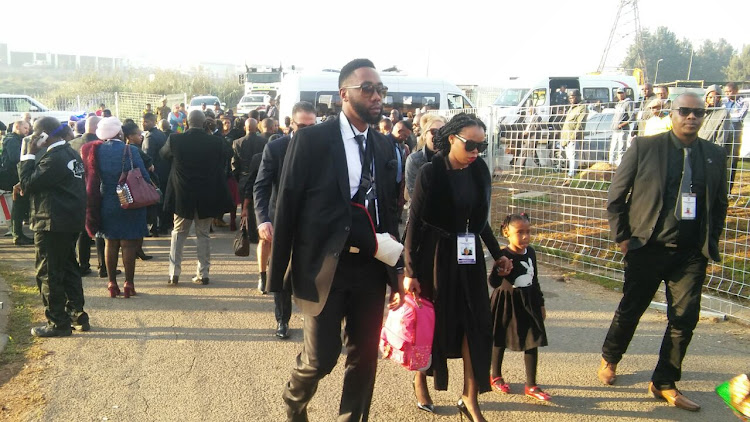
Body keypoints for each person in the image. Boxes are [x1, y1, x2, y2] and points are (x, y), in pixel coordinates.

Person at [269, 58, 401, 421]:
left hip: (371, 268)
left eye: (380, 90)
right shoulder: (312, 139)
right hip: (324, 266)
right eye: (368, 89)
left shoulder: (384, 146)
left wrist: (397, 272)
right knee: (321, 357)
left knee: (364, 358)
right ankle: (295, 402)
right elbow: (288, 203)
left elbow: (389, 211)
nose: (377, 96)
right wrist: (278, 273)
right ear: (344, 94)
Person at [599, 93, 728, 412]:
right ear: (672, 114)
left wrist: (711, 240)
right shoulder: (645, 148)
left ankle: (664, 381)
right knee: (632, 308)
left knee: (684, 318)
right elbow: (616, 197)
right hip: (647, 248)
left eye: (698, 112)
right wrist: (623, 238)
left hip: (690, 254)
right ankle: (610, 357)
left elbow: (721, 203)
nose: (691, 117)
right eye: (684, 111)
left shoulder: (714, 154)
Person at [403, 113, 510, 422]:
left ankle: (470, 397)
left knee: (476, 325)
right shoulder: (430, 172)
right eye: (471, 145)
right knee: (431, 324)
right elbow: (414, 224)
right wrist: (410, 271)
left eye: (482, 145)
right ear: (452, 139)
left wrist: (497, 252)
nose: (476, 152)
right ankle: (421, 378)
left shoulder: (479, 171)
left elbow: (480, 222)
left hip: (469, 256)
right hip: (436, 257)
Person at [251, 101, 317, 339]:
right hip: (281, 220)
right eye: (302, 126)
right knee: (281, 272)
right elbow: (261, 186)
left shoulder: (325, 148)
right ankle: (282, 320)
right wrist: (263, 220)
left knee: (314, 274)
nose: (307, 131)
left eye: (312, 126)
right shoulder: (276, 148)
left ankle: (315, 324)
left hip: (314, 223)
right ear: (290, 125)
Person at [18, 117, 88, 336]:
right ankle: (77, 314)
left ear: (45, 135)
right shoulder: (70, 154)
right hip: (68, 220)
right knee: (68, 268)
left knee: (48, 272)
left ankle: (57, 322)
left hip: (51, 222)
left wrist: (29, 153)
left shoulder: (54, 158)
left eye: (36, 135)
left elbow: (29, 183)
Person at [160, 110, 231, 286]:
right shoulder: (215, 141)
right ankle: (203, 273)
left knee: (178, 233)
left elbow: (163, 155)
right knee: (203, 234)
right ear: (204, 122)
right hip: (206, 194)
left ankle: (173, 274)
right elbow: (227, 156)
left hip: (182, 194)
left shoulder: (175, 140)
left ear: (186, 122)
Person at [489, 213, 550, 401]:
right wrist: (500, 271)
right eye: (520, 232)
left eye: (528, 232)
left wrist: (540, 303)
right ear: (507, 232)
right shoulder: (503, 255)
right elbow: (493, 281)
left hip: (528, 302)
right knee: (499, 339)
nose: (525, 236)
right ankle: (495, 375)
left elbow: (535, 280)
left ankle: (531, 385)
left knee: (533, 340)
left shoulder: (531, 252)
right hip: (506, 302)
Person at [89, 118, 151, 298]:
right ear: (119, 133)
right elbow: (144, 176)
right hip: (130, 200)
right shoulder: (130, 150)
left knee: (110, 242)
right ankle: (128, 284)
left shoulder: (97, 151)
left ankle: (111, 284)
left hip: (107, 201)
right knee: (129, 244)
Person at [69, 116, 102, 276]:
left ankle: (83, 264)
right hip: (95, 191)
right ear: (97, 127)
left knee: (82, 230)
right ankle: (103, 265)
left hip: (75, 191)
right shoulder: (100, 145)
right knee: (100, 228)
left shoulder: (73, 144)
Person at [232, 118, 267, 255]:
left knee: (246, 207)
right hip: (260, 175)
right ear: (256, 127)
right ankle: (259, 230)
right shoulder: (264, 142)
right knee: (259, 203)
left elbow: (234, 164)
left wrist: (239, 177)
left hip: (244, 176)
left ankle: (251, 232)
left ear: (245, 128)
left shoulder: (237, 143)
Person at [0, 120, 33, 245]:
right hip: (12, 177)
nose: (27, 130)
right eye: (25, 128)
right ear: (17, 127)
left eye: (28, 128)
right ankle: (18, 234)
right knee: (18, 206)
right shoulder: (12, 140)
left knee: (19, 206)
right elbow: (15, 158)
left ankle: (17, 233)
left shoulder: (14, 139)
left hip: (16, 176)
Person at [141, 112, 171, 235]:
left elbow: (148, 158)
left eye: (146, 122)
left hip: (155, 174)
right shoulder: (160, 134)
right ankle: (165, 225)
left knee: (155, 202)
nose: (143, 124)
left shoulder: (150, 137)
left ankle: (156, 227)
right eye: (142, 121)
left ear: (153, 122)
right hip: (164, 172)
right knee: (163, 200)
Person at [404, 114, 446, 199]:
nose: (438, 135)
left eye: (442, 131)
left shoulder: (451, 158)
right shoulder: (414, 159)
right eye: (434, 131)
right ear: (425, 134)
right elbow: (414, 194)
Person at [723, 82, 748, 192]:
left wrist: (727, 115)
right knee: (722, 160)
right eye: (726, 92)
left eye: (729, 91)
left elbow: (738, 117)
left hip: (736, 135)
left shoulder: (744, 102)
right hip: (724, 134)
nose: (727, 94)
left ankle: (728, 189)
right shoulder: (724, 102)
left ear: (736, 91)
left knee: (732, 161)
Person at [560, 89, 587, 178]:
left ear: (578, 97)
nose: (571, 99)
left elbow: (580, 124)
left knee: (573, 156)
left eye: (573, 97)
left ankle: (572, 174)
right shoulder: (571, 108)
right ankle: (570, 172)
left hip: (573, 137)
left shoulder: (582, 108)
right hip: (565, 137)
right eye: (570, 98)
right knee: (568, 156)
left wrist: (574, 136)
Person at [609, 88, 633, 166]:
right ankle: (611, 164)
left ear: (625, 93)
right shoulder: (618, 104)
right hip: (615, 130)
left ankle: (620, 166)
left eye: (621, 93)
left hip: (623, 130)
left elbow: (632, 118)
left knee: (621, 149)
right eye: (618, 93)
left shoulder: (628, 103)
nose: (620, 94)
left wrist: (622, 124)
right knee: (613, 148)